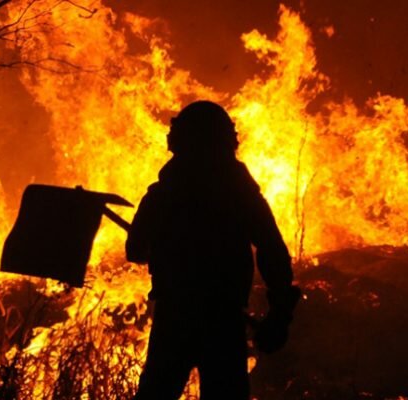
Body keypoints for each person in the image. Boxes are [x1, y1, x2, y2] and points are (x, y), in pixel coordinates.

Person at [127, 100, 298, 399]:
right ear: (227, 142)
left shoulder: (164, 193)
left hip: (175, 317)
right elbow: (271, 247)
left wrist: (163, 249)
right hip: (224, 320)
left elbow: (135, 250)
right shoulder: (241, 193)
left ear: (179, 142)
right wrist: (280, 310)